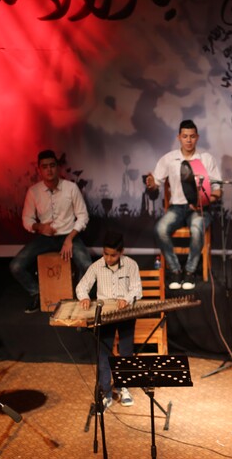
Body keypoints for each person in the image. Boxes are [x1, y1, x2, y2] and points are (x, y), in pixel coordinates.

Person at [10, 149, 91, 313]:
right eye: (45, 166)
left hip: (70, 236)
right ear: (39, 169)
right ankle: (37, 293)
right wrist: (39, 227)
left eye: (52, 165)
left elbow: (83, 216)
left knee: (87, 265)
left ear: (58, 167)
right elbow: (27, 219)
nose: (49, 170)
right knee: (16, 266)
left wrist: (70, 238)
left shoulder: (71, 187)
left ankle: (79, 297)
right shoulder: (34, 191)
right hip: (45, 238)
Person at [145, 120, 222, 291]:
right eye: (185, 136)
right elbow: (155, 183)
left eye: (192, 136)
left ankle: (189, 272)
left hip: (200, 209)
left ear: (197, 138)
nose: (188, 140)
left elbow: (218, 189)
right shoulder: (170, 159)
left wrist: (205, 200)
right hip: (177, 207)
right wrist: (151, 183)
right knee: (160, 229)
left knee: (196, 228)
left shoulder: (206, 160)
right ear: (179, 137)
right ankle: (175, 270)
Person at [75, 231, 143, 409]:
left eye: (113, 255)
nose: (109, 258)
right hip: (105, 315)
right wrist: (84, 297)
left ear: (121, 252)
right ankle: (106, 393)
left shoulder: (131, 265)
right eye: (106, 254)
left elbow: (137, 289)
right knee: (104, 354)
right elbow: (82, 286)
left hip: (126, 314)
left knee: (126, 351)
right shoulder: (97, 266)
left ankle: (123, 388)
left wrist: (126, 298)